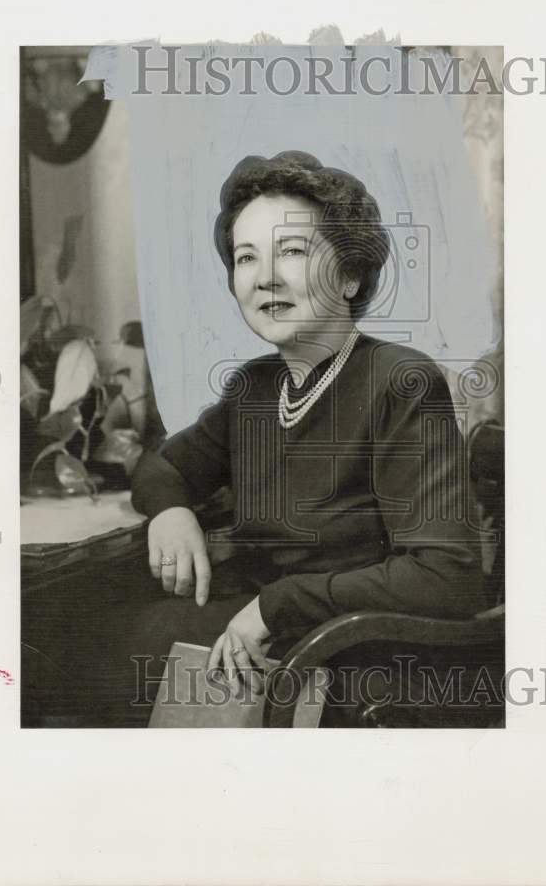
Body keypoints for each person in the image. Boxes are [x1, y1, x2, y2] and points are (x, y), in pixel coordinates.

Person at [130, 150, 488, 708]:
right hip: (282, 639)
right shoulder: (254, 387)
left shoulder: (401, 381)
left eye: (291, 251)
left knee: (131, 647)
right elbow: (162, 466)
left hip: (366, 657)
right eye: (246, 258)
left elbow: (446, 577)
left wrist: (276, 606)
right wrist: (170, 511)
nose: (264, 277)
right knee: (104, 624)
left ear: (349, 275)